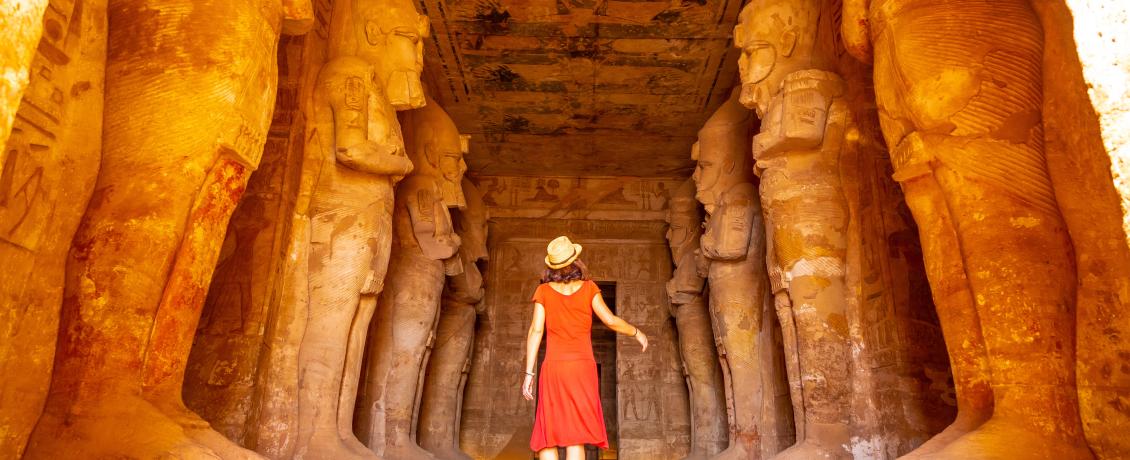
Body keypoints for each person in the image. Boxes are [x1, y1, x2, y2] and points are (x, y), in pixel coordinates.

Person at [522, 236, 650, 460]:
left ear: (552, 266)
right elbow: (610, 320)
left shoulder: (543, 291)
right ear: (575, 260)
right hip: (583, 369)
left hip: (555, 368)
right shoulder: (589, 288)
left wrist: (528, 373)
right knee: (575, 435)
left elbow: (535, 331)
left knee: (548, 430)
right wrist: (636, 332)